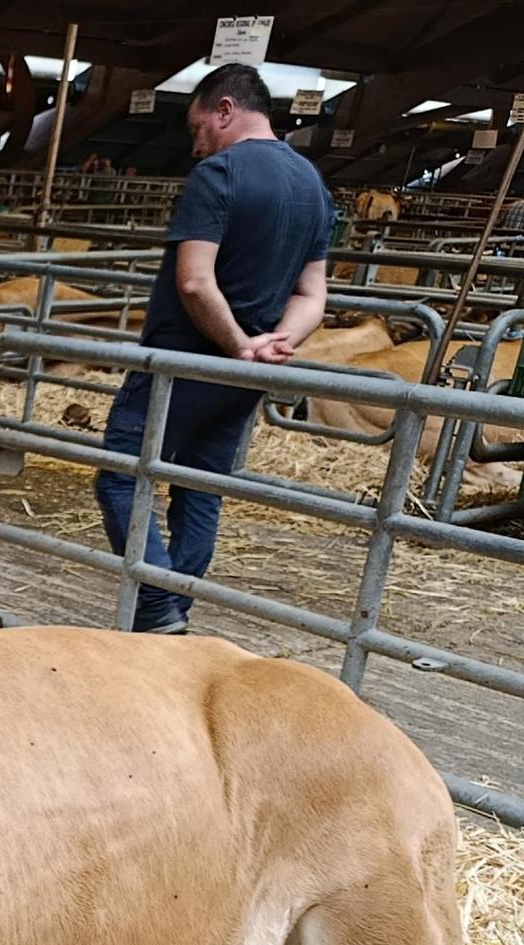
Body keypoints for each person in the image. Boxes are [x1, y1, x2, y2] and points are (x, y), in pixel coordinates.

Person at [93, 63, 335, 633]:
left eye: (198, 125)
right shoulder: (313, 186)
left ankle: (157, 610)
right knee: (202, 489)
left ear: (225, 110)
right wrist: (274, 346)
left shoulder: (218, 174)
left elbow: (196, 281)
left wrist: (237, 344)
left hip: (183, 363)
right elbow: (313, 295)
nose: (195, 141)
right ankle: (177, 610)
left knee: (121, 477)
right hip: (244, 376)